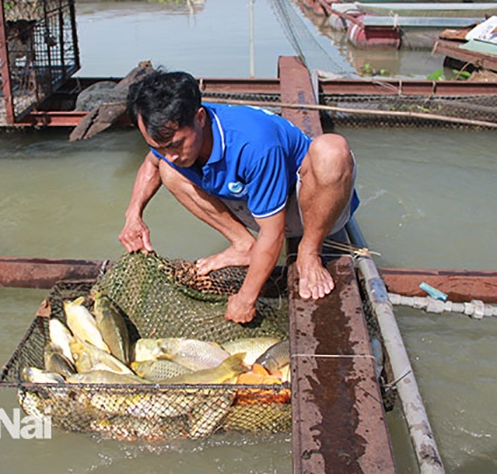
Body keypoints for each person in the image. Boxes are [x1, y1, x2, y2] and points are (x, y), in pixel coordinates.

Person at [119, 70, 359, 324]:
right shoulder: (170, 132)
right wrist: (133, 215)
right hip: (257, 204)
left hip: (311, 206)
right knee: (168, 170)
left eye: (176, 145)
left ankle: (309, 251)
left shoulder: (254, 144)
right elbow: (151, 164)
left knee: (331, 150)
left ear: (200, 118)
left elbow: (273, 234)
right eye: (160, 147)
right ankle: (243, 245)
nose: (170, 155)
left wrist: (246, 299)